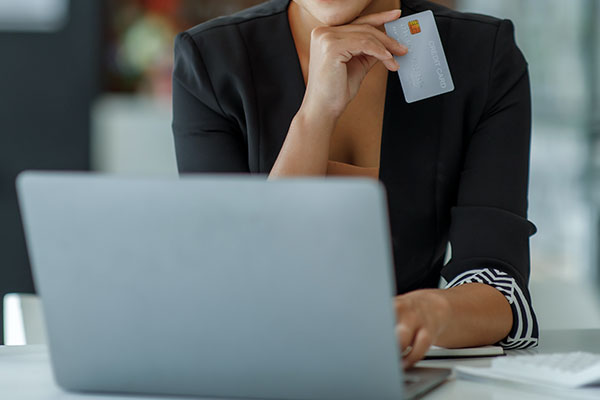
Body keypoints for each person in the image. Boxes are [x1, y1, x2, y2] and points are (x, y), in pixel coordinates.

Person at [172, 0, 539, 368]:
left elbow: (499, 287)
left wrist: (429, 310)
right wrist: (315, 116)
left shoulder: (480, 55)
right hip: (254, 373)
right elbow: (231, 295)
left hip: (399, 371)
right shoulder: (212, 61)